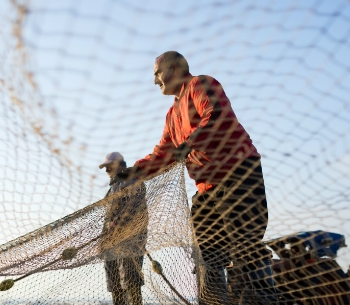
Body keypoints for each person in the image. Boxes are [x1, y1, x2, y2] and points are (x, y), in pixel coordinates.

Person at [118, 51, 279, 304]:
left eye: (157, 73)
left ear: (174, 68)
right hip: (206, 190)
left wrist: (190, 142)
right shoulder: (172, 115)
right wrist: (135, 171)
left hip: (239, 174)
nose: (154, 81)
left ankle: (265, 300)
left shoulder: (201, 84)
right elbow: (163, 153)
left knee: (245, 246)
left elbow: (216, 115)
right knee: (207, 256)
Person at [99, 152, 148, 305]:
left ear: (119, 165)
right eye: (105, 168)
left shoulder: (132, 180)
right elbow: (108, 219)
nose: (107, 171)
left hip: (131, 241)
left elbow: (135, 207)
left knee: (130, 280)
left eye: (109, 167)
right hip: (112, 245)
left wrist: (117, 224)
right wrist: (103, 238)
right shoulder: (112, 188)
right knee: (115, 284)